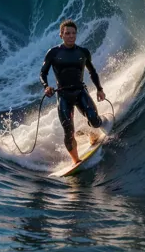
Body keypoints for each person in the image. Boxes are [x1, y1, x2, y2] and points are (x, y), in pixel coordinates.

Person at [39, 19, 107, 164]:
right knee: (68, 131)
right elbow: (42, 73)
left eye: (73, 33)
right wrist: (46, 86)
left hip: (80, 92)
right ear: (61, 35)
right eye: (67, 33)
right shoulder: (53, 53)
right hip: (63, 95)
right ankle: (76, 160)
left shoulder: (83, 52)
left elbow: (92, 72)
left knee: (95, 120)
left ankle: (93, 129)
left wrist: (99, 89)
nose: (71, 36)